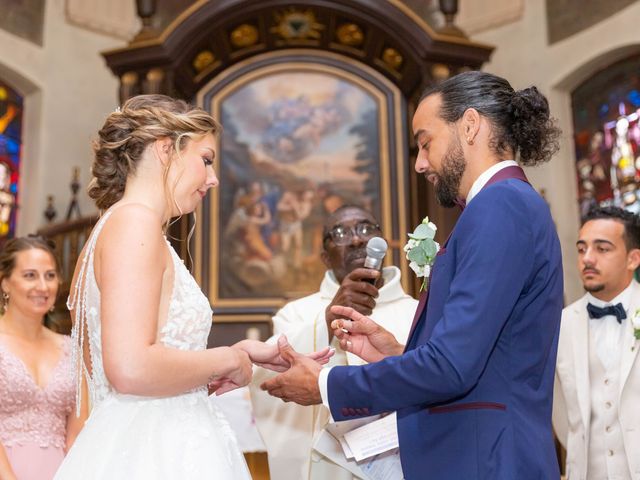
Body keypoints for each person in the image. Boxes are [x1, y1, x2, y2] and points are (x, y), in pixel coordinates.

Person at [261, 71, 564, 479]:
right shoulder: (504, 204)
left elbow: (452, 368)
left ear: (470, 125)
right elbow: (485, 357)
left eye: (426, 142)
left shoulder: (500, 206)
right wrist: (398, 354)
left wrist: (328, 385)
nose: (421, 163)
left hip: (486, 459)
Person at [53, 94, 332, 479]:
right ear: (166, 150)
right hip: (154, 451)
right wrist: (229, 361)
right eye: (205, 160)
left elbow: (144, 354)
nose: (213, 179)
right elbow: (130, 368)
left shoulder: (119, 226)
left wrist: (241, 352)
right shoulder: (135, 224)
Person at [249, 205, 417, 480]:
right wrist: (325, 322)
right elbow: (268, 381)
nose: (355, 239)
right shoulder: (297, 314)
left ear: (382, 242)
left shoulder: (415, 312)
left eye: (366, 229)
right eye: (340, 232)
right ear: (325, 257)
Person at [553, 206, 640, 479]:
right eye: (581, 249)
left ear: (633, 258)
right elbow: (558, 410)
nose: (587, 259)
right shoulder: (561, 325)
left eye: (602, 249)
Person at [0, 236, 88, 480]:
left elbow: (77, 435)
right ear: (5, 283)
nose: (42, 286)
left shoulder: (72, 350)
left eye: (50, 275)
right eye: (30, 275)